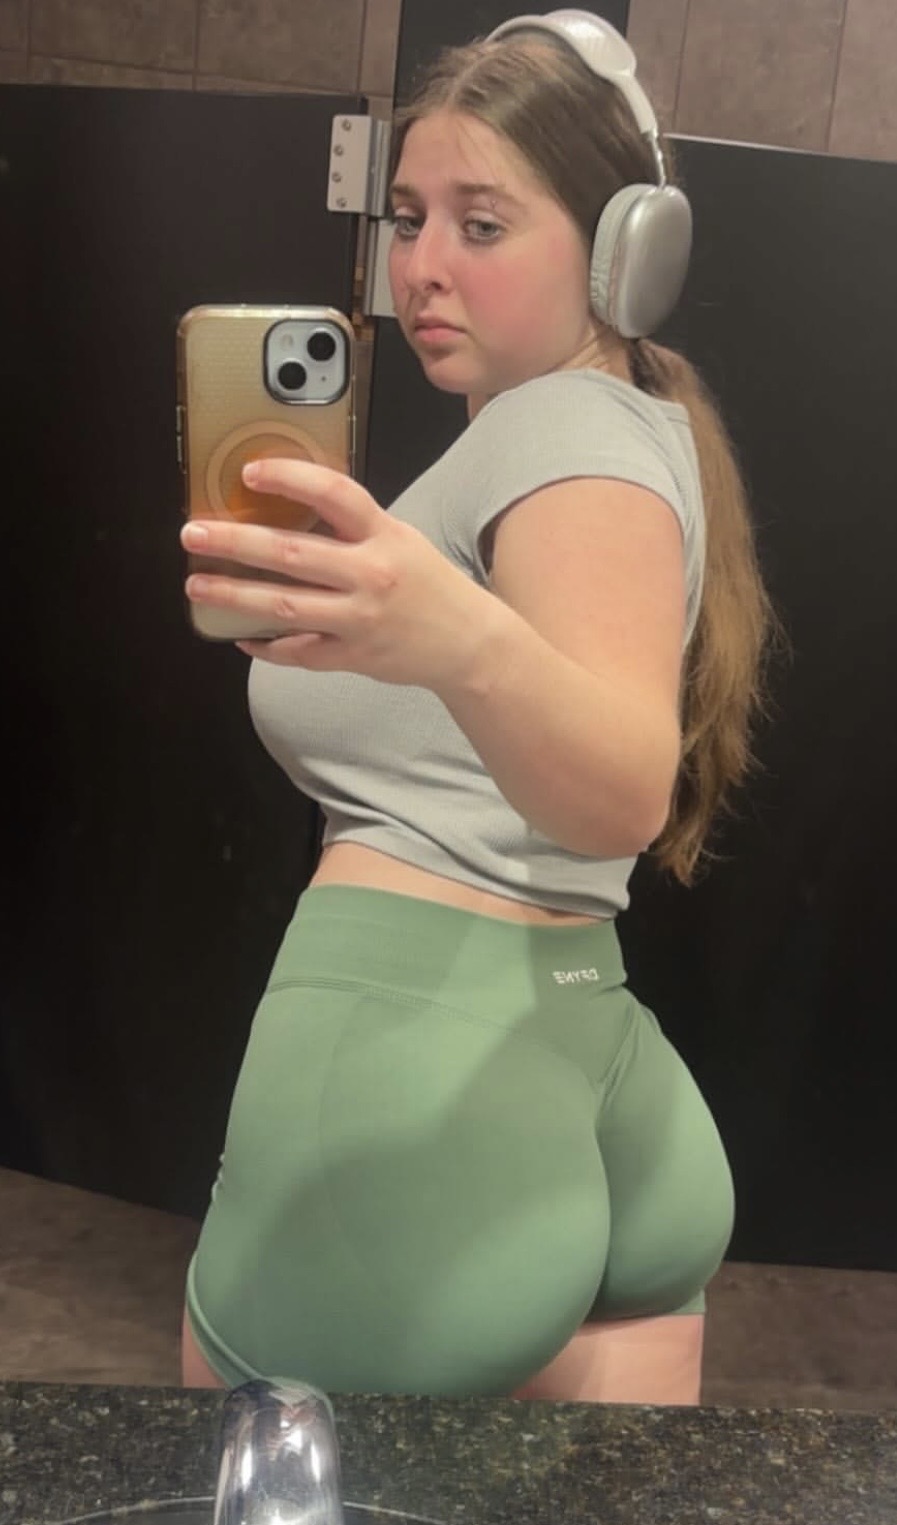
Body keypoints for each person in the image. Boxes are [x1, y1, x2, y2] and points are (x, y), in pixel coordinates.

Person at [179, 9, 771, 1405]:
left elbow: (621, 790)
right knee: (593, 1514)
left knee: (254, 1482)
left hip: (416, 1066)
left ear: (623, 253)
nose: (423, 265)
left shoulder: (562, 430)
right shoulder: (614, 427)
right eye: (409, 218)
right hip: (572, 1048)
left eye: (483, 224)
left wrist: (445, 635)